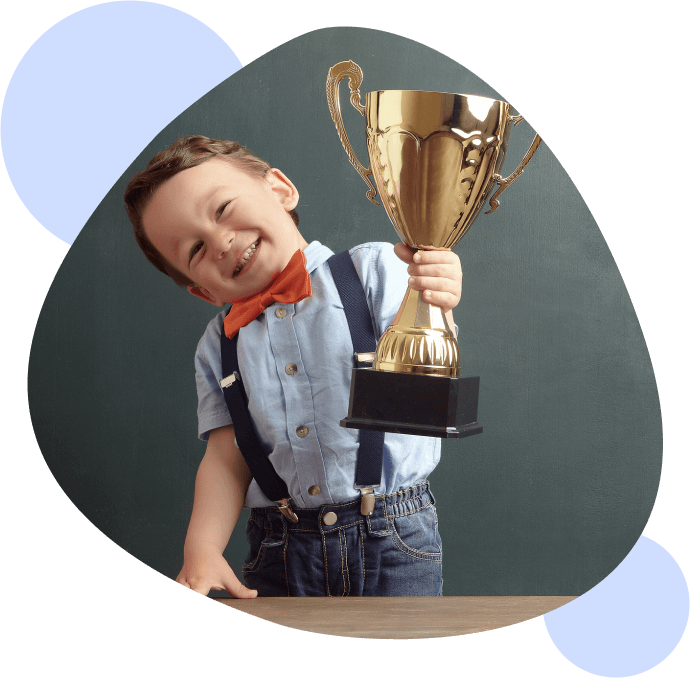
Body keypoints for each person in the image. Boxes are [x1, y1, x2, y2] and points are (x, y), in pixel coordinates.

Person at [124, 135, 463, 597]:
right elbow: (227, 457)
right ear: (203, 292)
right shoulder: (216, 347)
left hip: (392, 534)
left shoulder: (376, 271)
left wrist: (436, 303)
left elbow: (429, 409)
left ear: (280, 190)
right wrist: (200, 550)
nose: (220, 241)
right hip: (279, 549)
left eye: (222, 209)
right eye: (195, 251)